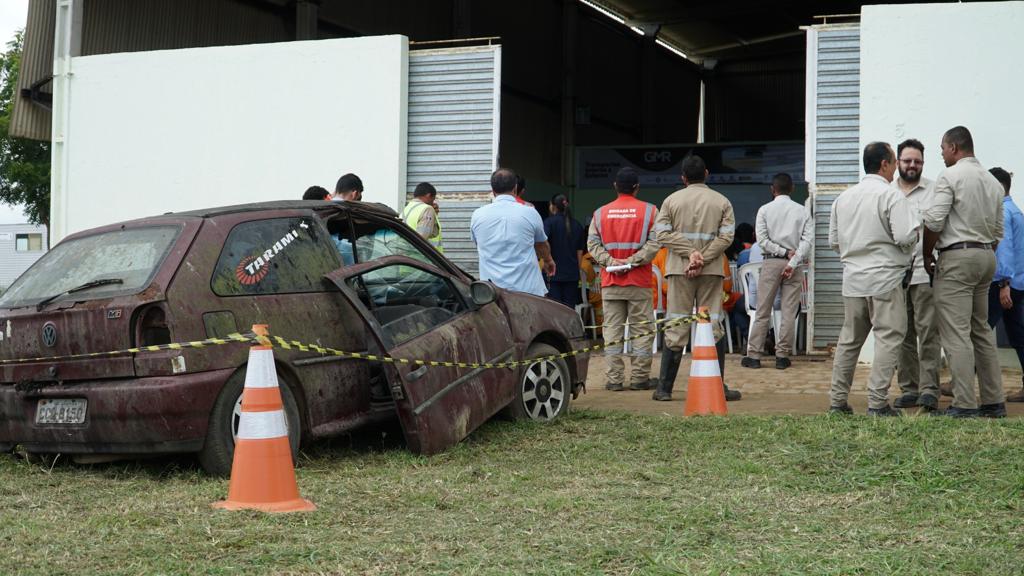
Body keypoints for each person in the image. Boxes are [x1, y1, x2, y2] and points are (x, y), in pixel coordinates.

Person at [828, 142, 919, 416]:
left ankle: (837, 401)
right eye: (893, 162)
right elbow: (905, 237)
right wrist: (911, 242)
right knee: (889, 338)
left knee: (849, 341)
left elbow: (834, 241)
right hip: (885, 278)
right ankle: (877, 403)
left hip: (853, 279)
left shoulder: (843, 198)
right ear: (884, 164)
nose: (895, 168)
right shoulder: (891, 197)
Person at [922, 126, 1006, 418]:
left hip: (957, 257)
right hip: (985, 255)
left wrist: (926, 255)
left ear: (955, 148)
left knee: (956, 333)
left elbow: (933, 221)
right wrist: (981, 253)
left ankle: (964, 403)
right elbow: (998, 231)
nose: (942, 153)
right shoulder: (993, 182)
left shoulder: (951, 175)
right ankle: (994, 401)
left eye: (943, 148)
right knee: (981, 330)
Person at [652, 155, 741, 402]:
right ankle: (718, 387)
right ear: (707, 174)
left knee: (675, 323)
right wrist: (702, 257)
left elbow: (662, 235)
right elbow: (726, 238)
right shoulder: (721, 201)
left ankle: (664, 389)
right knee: (712, 324)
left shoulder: (671, 201)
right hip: (711, 271)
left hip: (679, 270)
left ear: (683, 178)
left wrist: (690, 255)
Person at [587, 167, 661, 391]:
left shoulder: (600, 214)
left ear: (615, 187)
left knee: (612, 331)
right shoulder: (650, 211)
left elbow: (592, 245)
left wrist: (611, 262)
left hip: (611, 282)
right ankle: (639, 379)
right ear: (637, 187)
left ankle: (614, 379)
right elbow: (655, 243)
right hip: (638, 281)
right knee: (641, 330)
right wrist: (633, 261)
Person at [741, 173, 812, 370]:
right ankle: (782, 356)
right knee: (789, 312)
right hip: (794, 265)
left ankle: (754, 355)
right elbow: (808, 241)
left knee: (763, 310)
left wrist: (781, 252)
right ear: (791, 189)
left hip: (771, 262)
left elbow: (762, 240)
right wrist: (793, 259)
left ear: (773, 190)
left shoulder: (764, 210)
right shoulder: (802, 211)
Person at [890, 139, 941, 411]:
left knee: (929, 333)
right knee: (902, 334)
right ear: (898, 161)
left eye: (917, 161)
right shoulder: (887, 192)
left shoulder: (934, 191)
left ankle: (929, 390)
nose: (912, 165)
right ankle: (909, 388)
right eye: (908, 160)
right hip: (894, 275)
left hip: (925, 273)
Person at [471, 168, 554, 297]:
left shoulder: (478, 215)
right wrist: (548, 260)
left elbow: (479, 245)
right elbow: (541, 245)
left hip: (492, 292)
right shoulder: (530, 212)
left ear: (492, 191)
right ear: (515, 188)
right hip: (527, 291)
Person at [987, 168, 1024, 402]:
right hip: (1017, 282)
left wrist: (1003, 284)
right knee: (1018, 336)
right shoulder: (1016, 210)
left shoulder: (1002, 211)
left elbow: (1005, 249)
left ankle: (963, 380)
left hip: (1004, 283)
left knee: (979, 331)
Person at [545, 194, 586, 308]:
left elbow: (544, 243)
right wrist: (576, 269)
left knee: (555, 308)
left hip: (553, 273)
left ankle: (557, 327)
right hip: (572, 274)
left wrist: (547, 260)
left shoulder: (549, 223)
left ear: (553, 206)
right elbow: (579, 252)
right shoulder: (577, 225)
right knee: (569, 308)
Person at [401, 182, 443, 252]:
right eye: (433, 198)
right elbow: (421, 240)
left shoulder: (407, 208)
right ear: (428, 195)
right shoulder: (427, 209)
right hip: (424, 257)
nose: (433, 202)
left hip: (407, 254)